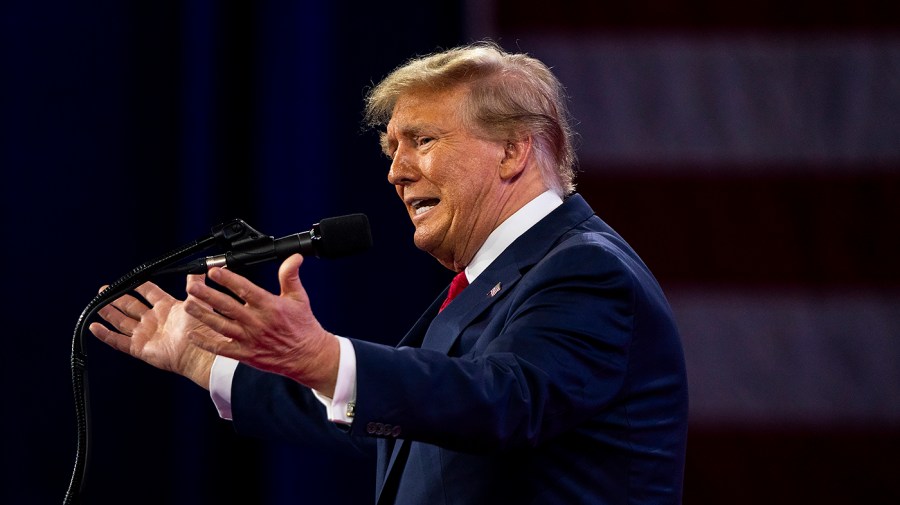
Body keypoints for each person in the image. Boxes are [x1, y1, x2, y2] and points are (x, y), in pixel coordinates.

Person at [91, 42, 689, 504]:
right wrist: (204, 360)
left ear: (513, 149)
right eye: (390, 150)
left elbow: (504, 402)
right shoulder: (496, 279)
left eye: (421, 141)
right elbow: (392, 420)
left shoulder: (585, 270)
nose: (395, 172)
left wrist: (324, 356)